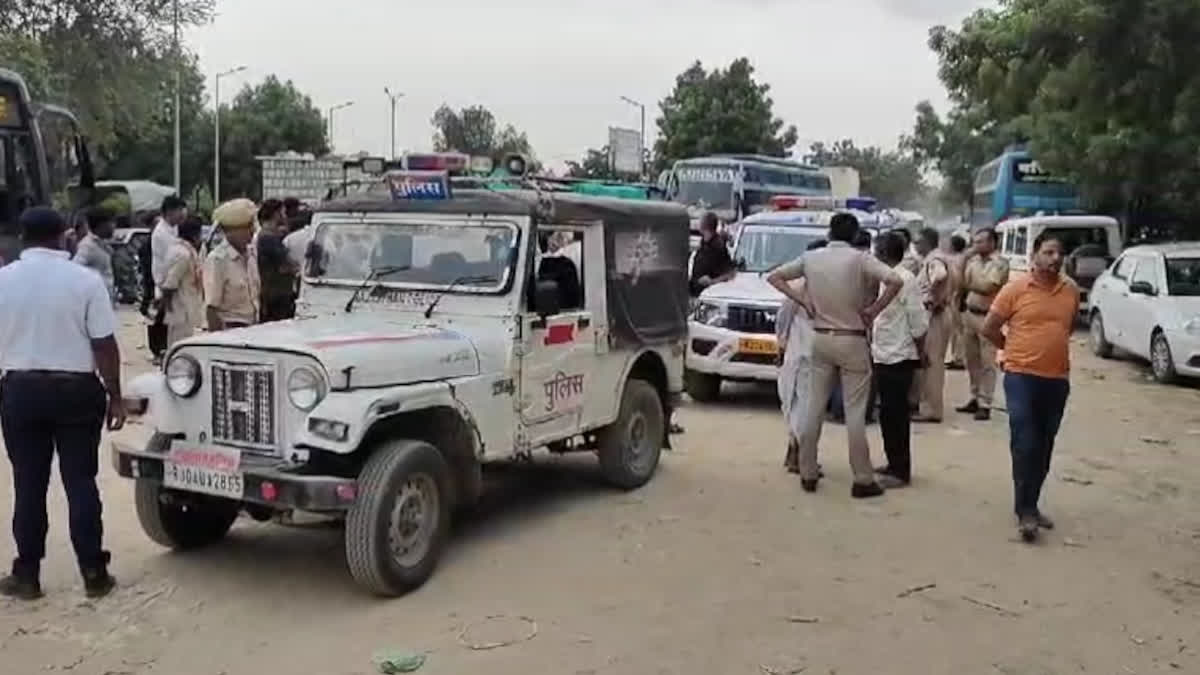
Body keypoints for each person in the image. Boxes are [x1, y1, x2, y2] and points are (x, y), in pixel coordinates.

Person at [0, 207, 125, 601]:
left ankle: (27, 575)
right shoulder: (85, 281)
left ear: (22, 237)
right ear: (65, 235)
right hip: (77, 391)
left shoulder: (2, 281)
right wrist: (115, 395)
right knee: (81, 482)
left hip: (20, 390)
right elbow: (104, 344)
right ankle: (93, 572)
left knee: (28, 485)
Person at [768, 212, 903, 498]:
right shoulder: (861, 259)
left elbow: (775, 276)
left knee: (812, 407)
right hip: (852, 339)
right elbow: (894, 280)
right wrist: (873, 310)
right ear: (855, 235)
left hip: (820, 338)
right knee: (854, 414)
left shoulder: (811, 258)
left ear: (829, 232)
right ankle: (862, 479)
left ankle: (807, 471)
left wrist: (803, 299)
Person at [981, 232, 1078, 542]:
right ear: (1034, 255)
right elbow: (989, 328)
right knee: (1025, 440)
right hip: (1021, 375)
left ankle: (1030, 503)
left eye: (1059, 253)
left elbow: (1067, 327)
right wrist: (1010, 350)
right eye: (1048, 252)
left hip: (1057, 379)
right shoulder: (1015, 289)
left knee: (1045, 444)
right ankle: (1026, 512)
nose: (1054, 259)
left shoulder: (1070, 291)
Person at [870, 231, 928, 488]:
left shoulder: (905, 280)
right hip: (882, 353)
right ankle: (893, 462)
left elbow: (918, 323)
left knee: (896, 414)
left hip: (900, 356)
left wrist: (920, 353)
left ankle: (900, 470)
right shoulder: (885, 279)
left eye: (876, 252)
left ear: (883, 254)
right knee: (887, 414)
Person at [777, 238, 825, 473]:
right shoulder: (797, 291)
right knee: (801, 406)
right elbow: (783, 325)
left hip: (810, 357)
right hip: (800, 357)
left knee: (801, 406)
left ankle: (796, 451)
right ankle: (799, 453)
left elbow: (782, 326)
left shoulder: (803, 290)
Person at [957, 228, 1009, 421]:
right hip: (970, 313)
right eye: (975, 242)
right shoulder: (973, 261)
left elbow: (988, 287)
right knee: (972, 360)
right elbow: (961, 282)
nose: (976, 246)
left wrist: (968, 284)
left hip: (988, 316)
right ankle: (974, 396)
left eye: (980, 242)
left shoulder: (1000, 263)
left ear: (992, 243)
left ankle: (985, 402)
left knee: (988, 362)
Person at [827, 230, 877, 424]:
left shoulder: (843, 264)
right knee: (866, 372)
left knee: (840, 370)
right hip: (867, 322)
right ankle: (865, 412)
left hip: (841, 320)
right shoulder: (872, 264)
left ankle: (839, 411)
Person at [913, 227, 952, 423]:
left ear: (928, 242)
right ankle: (928, 405)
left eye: (918, 241)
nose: (915, 245)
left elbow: (940, 276)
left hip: (935, 317)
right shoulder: (932, 258)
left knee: (932, 363)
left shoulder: (935, 260)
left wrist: (931, 298)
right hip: (935, 315)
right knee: (929, 362)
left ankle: (932, 410)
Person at [204, 198, 261, 331]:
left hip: (253, 327)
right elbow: (212, 309)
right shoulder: (218, 260)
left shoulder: (251, 254)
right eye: (246, 228)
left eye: (251, 226)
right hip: (230, 329)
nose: (252, 232)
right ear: (229, 231)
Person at [149, 196, 188, 361]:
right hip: (164, 280)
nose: (182, 215)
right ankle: (160, 351)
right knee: (163, 318)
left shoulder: (172, 229)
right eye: (179, 211)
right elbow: (173, 257)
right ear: (169, 212)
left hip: (170, 280)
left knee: (166, 318)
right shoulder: (162, 233)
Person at [161, 217, 206, 348]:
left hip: (186, 308)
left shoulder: (182, 250)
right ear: (194, 235)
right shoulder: (183, 254)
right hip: (181, 310)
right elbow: (169, 285)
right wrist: (169, 308)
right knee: (181, 347)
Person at [256, 199, 297, 322]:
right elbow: (284, 267)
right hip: (276, 295)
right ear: (276, 214)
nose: (285, 216)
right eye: (283, 212)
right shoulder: (269, 239)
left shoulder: (266, 235)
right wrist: (297, 268)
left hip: (271, 293)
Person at [73, 207, 117, 302]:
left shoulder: (101, 244)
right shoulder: (88, 246)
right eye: (111, 223)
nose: (114, 227)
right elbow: (75, 269)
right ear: (101, 225)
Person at [689, 212, 736, 298]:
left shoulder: (718, 247)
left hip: (710, 295)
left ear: (704, 225)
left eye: (700, 221)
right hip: (696, 292)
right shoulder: (703, 244)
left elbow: (730, 273)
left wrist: (712, 282)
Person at [945, 234, 968, 370]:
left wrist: (958, 297)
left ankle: (959, 358)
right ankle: (956, 357)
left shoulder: (956, 260)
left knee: (958, 330)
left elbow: (959, 281)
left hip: (956, 297)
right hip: (955, 296)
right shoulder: (961, 259)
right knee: (956, 330)